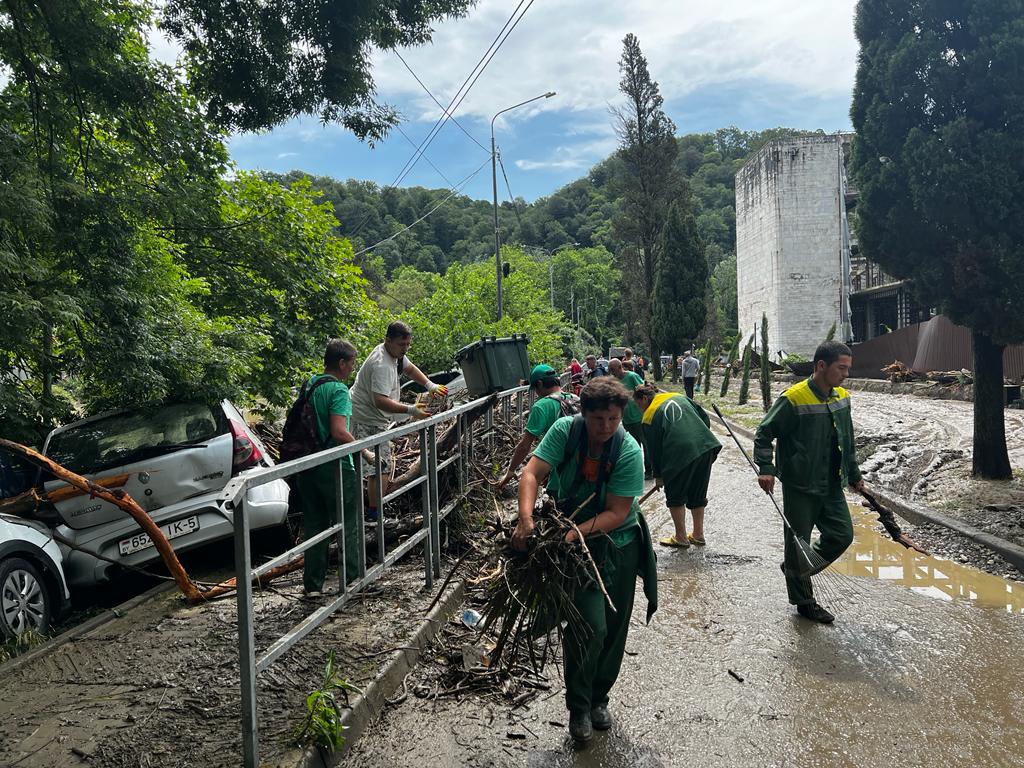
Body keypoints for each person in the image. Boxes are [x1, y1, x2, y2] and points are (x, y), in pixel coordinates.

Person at [513, 378, 657, 743]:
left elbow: (617, 512)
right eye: (598, 419)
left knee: (613, 627)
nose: (606, 427)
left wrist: (574, 532)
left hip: (618, 543)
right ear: (584, 413)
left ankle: (599, 699)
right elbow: (532, 473)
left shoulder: (628, 450)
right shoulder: (566, 431)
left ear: (621, 415)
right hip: (571, 545)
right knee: (588, 626)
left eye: (613, 419)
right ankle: (578, 707)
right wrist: (526, 518)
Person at [753, 340, 864, 624]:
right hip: (800, 484)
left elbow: (847, 441)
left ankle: (796, 568)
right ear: (821, 366)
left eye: (848, 369)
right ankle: (804, 601)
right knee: (798, 542)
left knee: (842, 535)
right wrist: (766, 468)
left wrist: (854, 474)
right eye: (841, 368)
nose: (845, 375)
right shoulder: (793, 399)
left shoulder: (841, 397)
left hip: (831, 483)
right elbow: (765, 433)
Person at [350, 321, 447, 522]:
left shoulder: (394, 354)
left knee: (377, 465)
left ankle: (371, 510)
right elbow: (380, 401)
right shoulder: (382, 364)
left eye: (408, 345)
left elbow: (409, 368)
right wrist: (410, 409)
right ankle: (375, 516)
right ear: (388, 341)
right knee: (380, 466)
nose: (405, 349)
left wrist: (430, 385)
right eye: (402, 345)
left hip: (373, 416)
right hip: (367, 417)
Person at [295, 339, 361, 596]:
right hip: (336, 466)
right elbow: (339, 432)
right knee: (348, 523)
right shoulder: (339, 391)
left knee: (314, 525)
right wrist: (364, 450)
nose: (352, 369)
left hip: (308, 465)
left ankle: (312, 586)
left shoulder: (310, 384)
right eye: (352, 364)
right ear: (342, 363)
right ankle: (354, 580)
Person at [633, 384, 722, 548]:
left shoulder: (649, 416)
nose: (640, 410)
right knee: (698, 492)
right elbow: (704, 418)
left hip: (679, 454)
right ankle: (698, 535)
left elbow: (654, 450)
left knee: (675, 494)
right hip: (705, 446)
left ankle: (681, 537)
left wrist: (659, 476)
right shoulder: (679, 396)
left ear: (644, 398)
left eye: (638, 405)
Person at [497, 364, 579, 491]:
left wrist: (511, 470)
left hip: (560, 471)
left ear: (539, 384)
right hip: (583, 464)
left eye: (535, 388)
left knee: (558, 503)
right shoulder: (575, 399)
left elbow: (525, 446)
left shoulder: (541, 406)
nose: (536, 393)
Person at [608, 358, 652, 478]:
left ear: (620, 367)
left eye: (613, 369)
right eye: (609, 370)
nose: (611, 372)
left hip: (639, 417)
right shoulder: (614, 381)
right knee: (633, 446)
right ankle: (636, 470)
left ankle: (650, 470)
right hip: (627, 418)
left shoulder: (632, 376)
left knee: (646, 444)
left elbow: (644, 391)